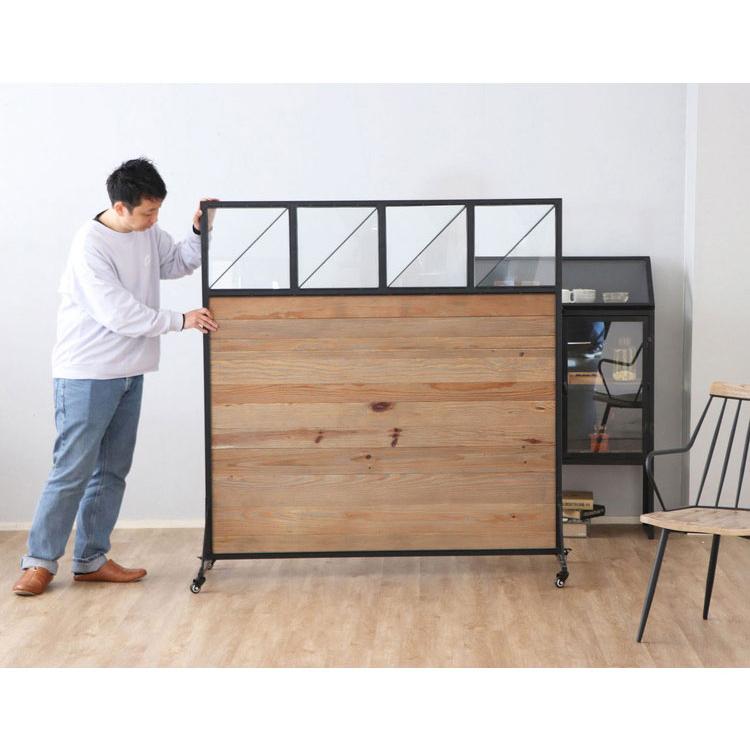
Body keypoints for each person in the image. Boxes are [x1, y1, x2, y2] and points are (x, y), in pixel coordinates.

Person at [13, 158, 219, 596]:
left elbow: (178, 261)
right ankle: (39, 562)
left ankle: (90, 560)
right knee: (72, 470)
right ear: (121, 207)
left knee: (111, 471)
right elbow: (119, 314)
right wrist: (181, 320)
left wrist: (198, 231)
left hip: (130, 371)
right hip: (87, 373)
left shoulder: (146, 232)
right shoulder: (89, 245)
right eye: (148, 212)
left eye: (159, 210)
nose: (155, 220)